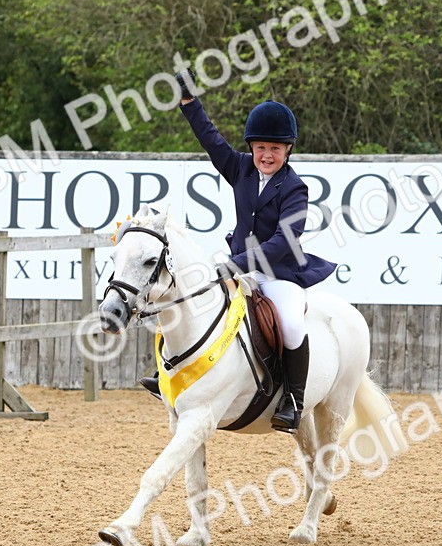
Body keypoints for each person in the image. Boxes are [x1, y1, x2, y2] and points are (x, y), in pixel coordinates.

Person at [141, 73, 336, 433]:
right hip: (238, 266)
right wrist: (189, 104)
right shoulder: (241, 168)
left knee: (292, 324)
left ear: (288, 150)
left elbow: (284, 241)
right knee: (189, 293)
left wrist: (236, 264)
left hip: (280, 274)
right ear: (252, 147)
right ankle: (168, 374)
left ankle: (292, 400)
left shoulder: (295, 188)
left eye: (275, 149)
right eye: (261, 147)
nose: (266, 155)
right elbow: (212, 141)